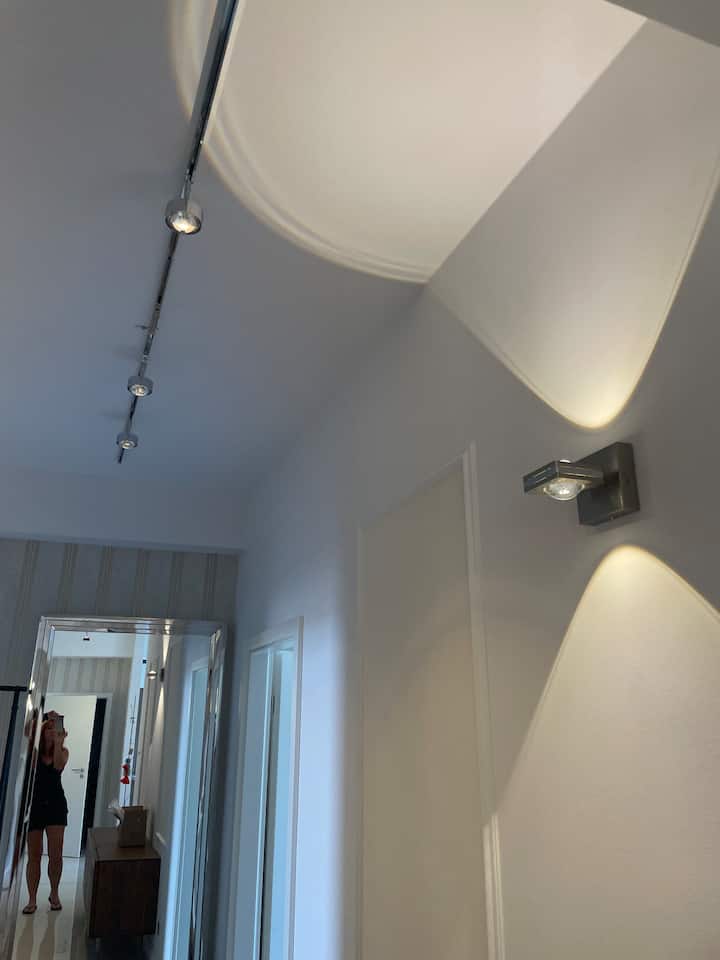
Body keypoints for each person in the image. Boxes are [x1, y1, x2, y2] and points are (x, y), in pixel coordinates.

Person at [22, 710, 69, 914]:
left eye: (53, 728)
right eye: (48, 728)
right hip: (35, 806)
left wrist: (58, 741)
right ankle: (32, 899)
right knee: (34, 855)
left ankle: (54, 893)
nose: (51, 731)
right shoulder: (34, 753)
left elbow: (57, 766)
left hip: (56, 806)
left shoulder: (63, 752)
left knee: (55, 855)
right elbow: (27, 731)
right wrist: (40, 716)